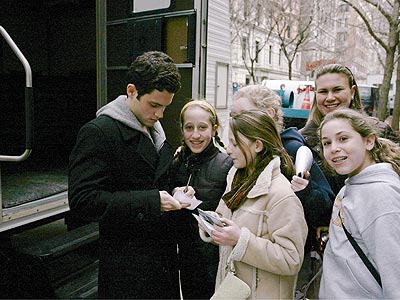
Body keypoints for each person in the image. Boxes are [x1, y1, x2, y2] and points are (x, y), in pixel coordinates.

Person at [68, 51, 188, 299]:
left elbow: (161, 177)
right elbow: (82, 200)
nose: (160, 115)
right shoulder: (98, 132)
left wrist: (178, 190)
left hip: (161, 261)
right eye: (154, 105)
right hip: (126, 267)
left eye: (165, 106)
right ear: (131, 91)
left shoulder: (157, 129)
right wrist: (152, 202)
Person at [200, 110, 308, 299]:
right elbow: (225, 217)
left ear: (257, 145)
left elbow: (292, 259)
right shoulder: (236, 178)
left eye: (235, 143)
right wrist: (213, 224)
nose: (228, 149)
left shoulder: (281, 194)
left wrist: (241, 240)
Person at [318, 108, 400, 299]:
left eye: (343, 139)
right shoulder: (350, 186)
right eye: (326, 143)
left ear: (368, 141)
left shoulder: (381, 195)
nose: (334, 148)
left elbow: (394, 272)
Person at [300, 63, 399, 195]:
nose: (330, 98)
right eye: (323, 91)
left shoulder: (380, 131)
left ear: (352, 92)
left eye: (337, 90)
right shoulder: (302, 140)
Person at [172, 100, 233, 299]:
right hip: (185, 257)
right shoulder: (177, 161)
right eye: (189, 128)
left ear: (214, 129)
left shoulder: (227, 164)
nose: (195, 135)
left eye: (202, 128)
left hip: (214, 259)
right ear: (182, 130)